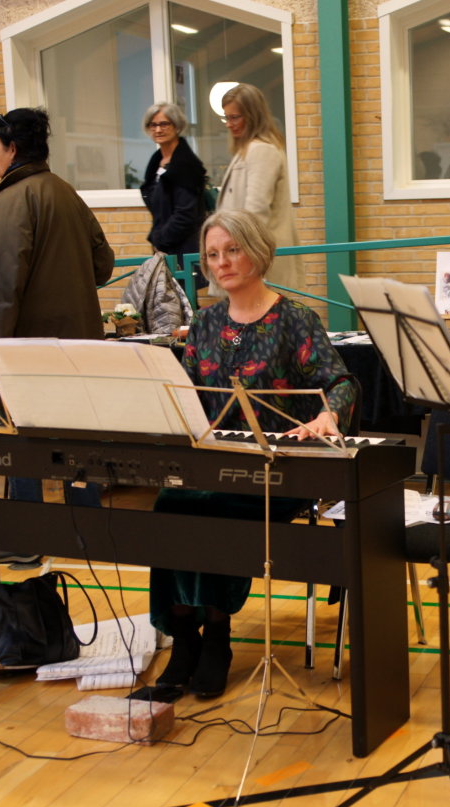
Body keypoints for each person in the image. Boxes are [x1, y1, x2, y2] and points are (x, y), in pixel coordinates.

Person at [145, 209, 356, 700]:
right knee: (171, 504)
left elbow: (340, 382)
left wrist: (328, 416)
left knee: (210, 508)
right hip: (213, 463)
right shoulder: (207, 322)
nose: (222, 263)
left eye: (232, 250)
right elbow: (189, 393)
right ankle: (184, 637)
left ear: (258, 252)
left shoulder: (295, 319)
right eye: (213, 255)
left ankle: (217, 634)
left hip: (278, 468)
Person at [0, 108, 115, 547]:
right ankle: (86, 535)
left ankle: (25, 539)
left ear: (11, 148)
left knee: (23, 442)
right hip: (80, 345)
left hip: (27, 353)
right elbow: (103, 266)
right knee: (78, 443)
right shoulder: (67, 193)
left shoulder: (9, 203)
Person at [215, 83, 301, 298]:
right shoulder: (246, 150)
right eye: (227, 118)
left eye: (235, 117)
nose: (229, 124)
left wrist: (239, 256)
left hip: (257, 263)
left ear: (253, 116)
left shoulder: (262, 150)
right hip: (244, 257)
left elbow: (256, 211)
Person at [139, 102, 207, 289]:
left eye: (164, 124)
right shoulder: (156, 161)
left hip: (184, 249)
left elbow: (185, 214)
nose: (158, 129)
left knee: (185, 305)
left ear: (177, 126)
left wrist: (160, 240)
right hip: (165, 248)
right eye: (153, 125)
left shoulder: (185, 164)